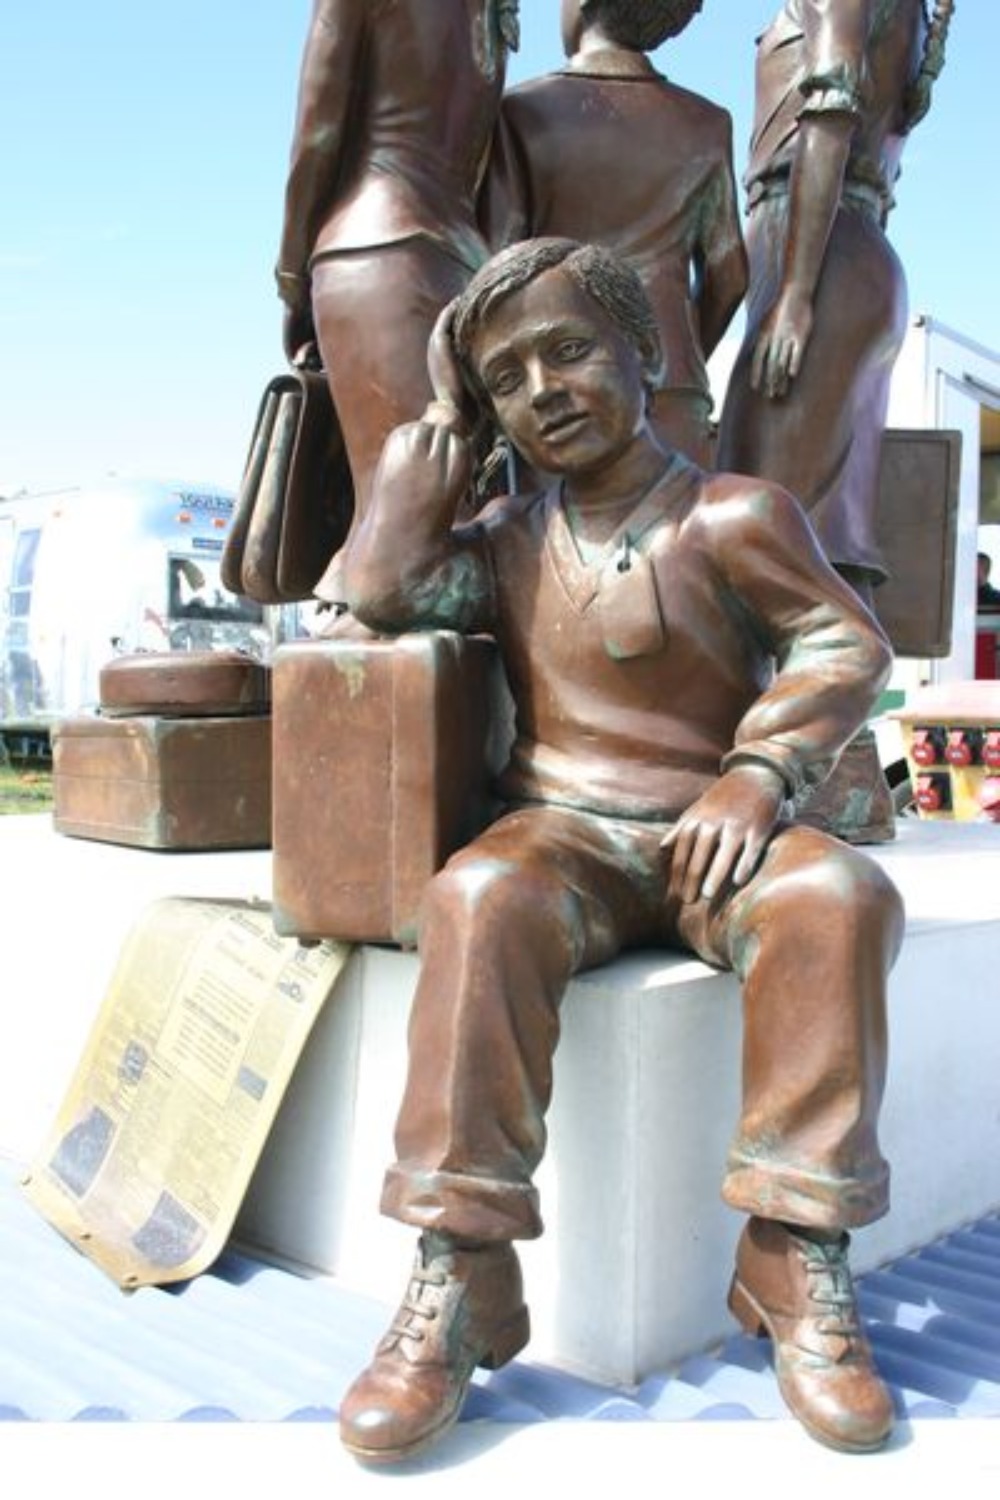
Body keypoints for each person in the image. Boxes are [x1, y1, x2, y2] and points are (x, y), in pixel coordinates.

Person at [337, 237, 905, 1463]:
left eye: (569, 348)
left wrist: (761, 773)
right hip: (566, 835)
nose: (542, 387)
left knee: (838, 900)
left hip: (718, 832)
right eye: (502, 379)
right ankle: (461, 1266)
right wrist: (411, 473)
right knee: (481, 896)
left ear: (644, 353)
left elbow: (840, 646)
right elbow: (383, 596)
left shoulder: (734, 513)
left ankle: (793, 1252)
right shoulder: (500, 539)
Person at [716, 0, 954, 842]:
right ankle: (841, 770)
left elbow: (829, 109)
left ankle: (815, 772)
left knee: (771, 517)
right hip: (851, 248)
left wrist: (795, 297)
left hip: (814, 249)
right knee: (820, 516)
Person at [274, 0, 520, 610]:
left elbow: (319, 131)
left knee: (393, 518)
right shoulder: (494, 13)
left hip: (373, 248)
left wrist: (290, 263)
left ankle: (378, 688)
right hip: (459, 259)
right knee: (439, 509)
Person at [481, 0, 746, 466]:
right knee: (683, 530)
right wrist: (671, 353)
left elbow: (500, 266)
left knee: (557, 535)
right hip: (674, 384)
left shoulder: (521, 112)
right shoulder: (708, 122)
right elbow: (730, 275)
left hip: (558, 387)